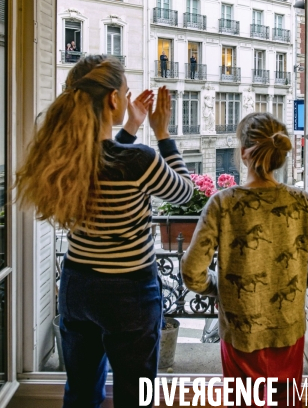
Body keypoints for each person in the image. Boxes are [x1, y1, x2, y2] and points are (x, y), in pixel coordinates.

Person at [15, 55, 193, 407]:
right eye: (125, 94)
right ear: (114, 99)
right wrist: (161, 132)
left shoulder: (67, 157)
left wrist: (130, 126)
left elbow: (108, 159)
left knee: (80, 392)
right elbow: (185, 192)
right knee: (134, 395)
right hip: (130, 290)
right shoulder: (139, 159)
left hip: (78, 286)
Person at [182, 112, 308, 407]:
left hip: (240, 331)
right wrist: (291, 281)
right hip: (288, 330)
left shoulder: (222, 203)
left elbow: (192, 273)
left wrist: (221, 287)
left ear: (243, 154)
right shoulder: (301, 201)